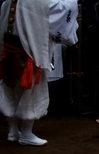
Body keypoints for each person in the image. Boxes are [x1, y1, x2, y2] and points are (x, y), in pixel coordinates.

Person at [0, 0, 79, 145]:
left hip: (9, 49)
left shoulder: (8, 1)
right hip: (29, 52)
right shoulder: (38, 1)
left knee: (10, 87)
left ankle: (13, 131)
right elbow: (65, 8)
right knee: (30, 91)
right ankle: (25, 133)